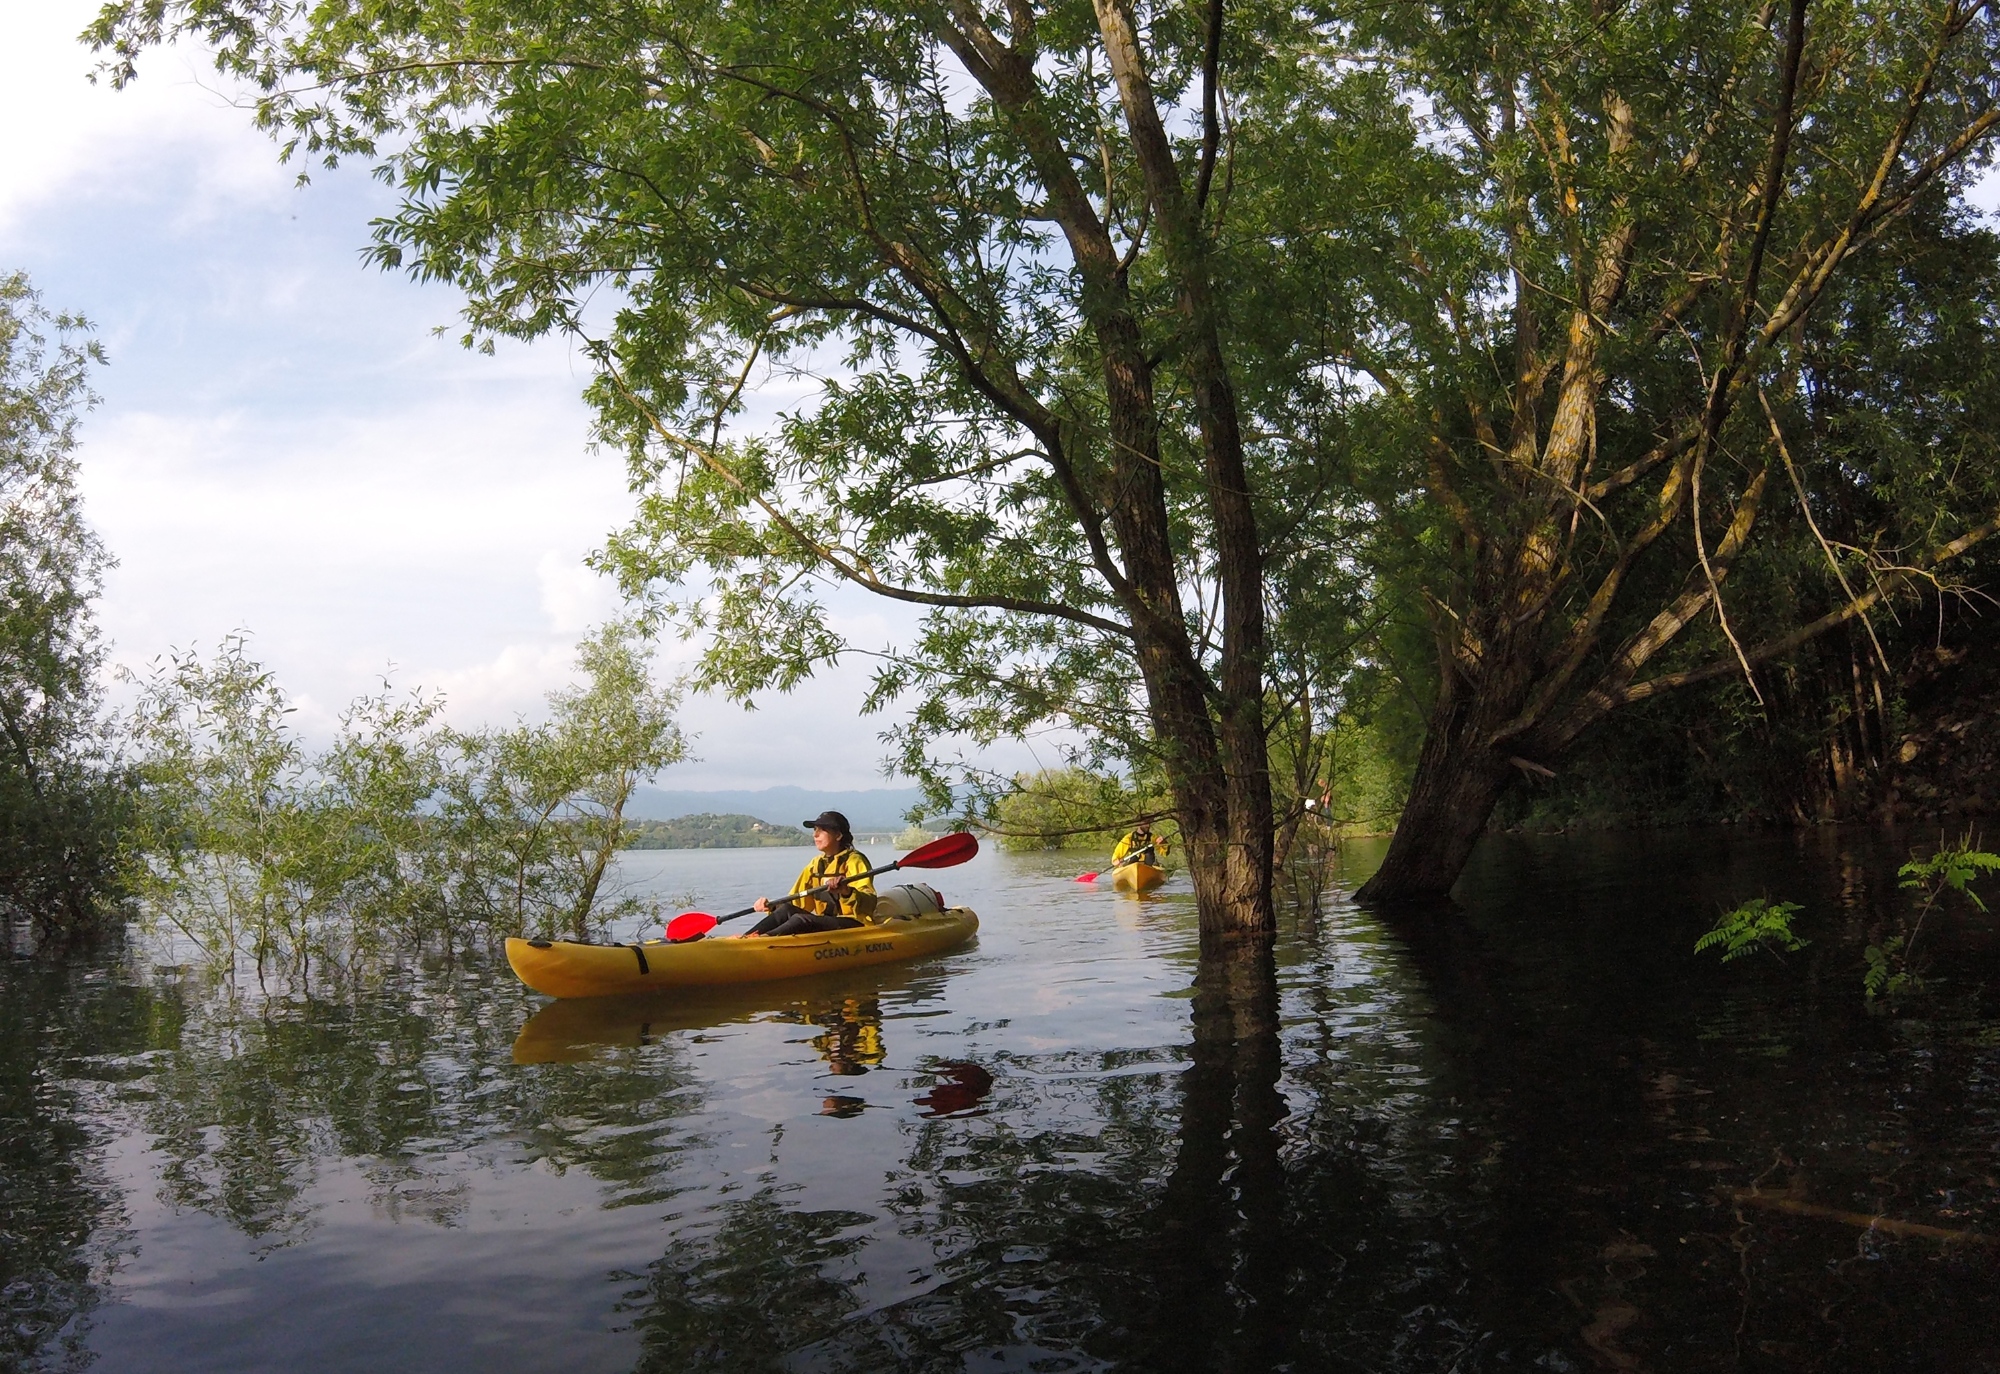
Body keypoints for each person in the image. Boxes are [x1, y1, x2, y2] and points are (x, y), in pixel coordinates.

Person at [740, 810, 879, 937]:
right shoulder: (815, 865)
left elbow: (869, 903)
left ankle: (762, 940)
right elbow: (797, 902)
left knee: (801, 919)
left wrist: (846, 891)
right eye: (814, 829)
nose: (815, 834)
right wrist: (772, 906)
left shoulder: (855, 860)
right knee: (786, 910)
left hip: (855, 924)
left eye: (822, 830)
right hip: (827, 923)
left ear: (838, 835)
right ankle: (744, 938)